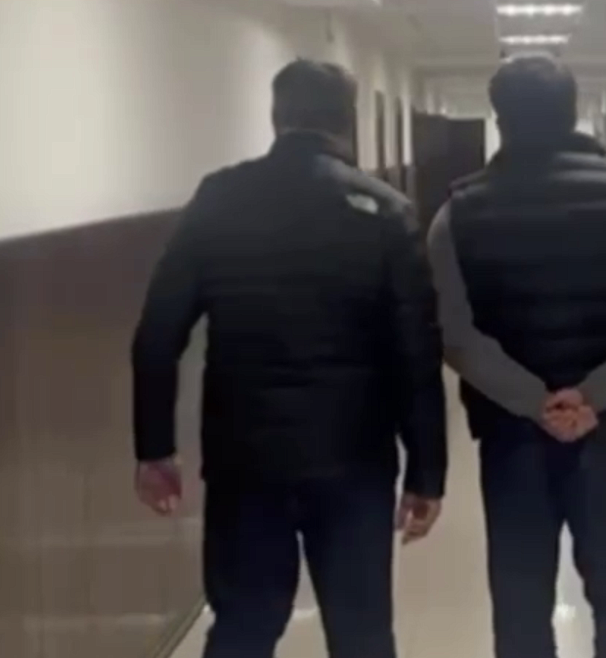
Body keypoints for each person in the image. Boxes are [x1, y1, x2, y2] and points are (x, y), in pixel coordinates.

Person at [131, 59, 447, 658]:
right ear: (348, 122)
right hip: (354, 460)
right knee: (362, 635)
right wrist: (427, 472)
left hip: (245, 459)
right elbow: (416, 353)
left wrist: (154, 449)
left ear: (276, 117)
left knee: (243, 629)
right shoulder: (386, 211)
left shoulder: (219, 199)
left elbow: (157, 334)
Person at [427, 54, 606, 658]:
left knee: (520, 601)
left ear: (500, 119)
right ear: (573, 112)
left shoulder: (459, 212)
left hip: (512, 437)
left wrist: (534, 401)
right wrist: (593, 397)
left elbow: (453, 330)